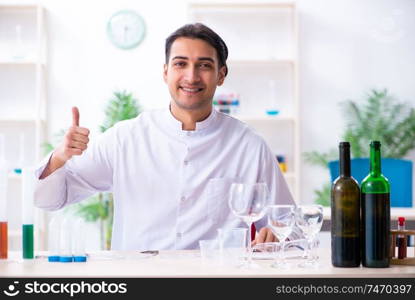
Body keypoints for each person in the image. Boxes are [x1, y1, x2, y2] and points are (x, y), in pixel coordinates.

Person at [34, 23, 297, 250]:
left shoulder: (249, 146)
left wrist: (273, 237)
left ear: (221, 75)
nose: (191, 76)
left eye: (204, 65)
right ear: (165, 72)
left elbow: (290, 227)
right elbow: (48, 200)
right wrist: (60, 157)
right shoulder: (125, 138)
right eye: (180, 64)